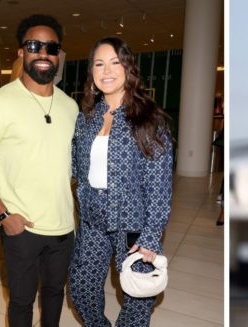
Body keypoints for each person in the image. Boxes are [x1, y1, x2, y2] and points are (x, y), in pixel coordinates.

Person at [0, 14, 78, 326]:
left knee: (55, 293)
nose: (43, 53)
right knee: (21, 301)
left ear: (59, 55)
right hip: (22, 229)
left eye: (51, 47)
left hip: (63, 227)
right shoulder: (0, 102)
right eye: (34, 45)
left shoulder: (71, 107)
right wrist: (3, 215)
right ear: (21, 52)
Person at [68, 37, 173, 327]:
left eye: (115, 62)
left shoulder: (149, 119)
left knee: (138, 297)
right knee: (81, 287)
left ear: (129, 68)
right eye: (99, 64)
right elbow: (77, 167)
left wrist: (151, 236)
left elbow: (159, 186)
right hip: (92, 219)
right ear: (91, 72)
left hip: (133, 223)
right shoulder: (86, 119)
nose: (107, 70)